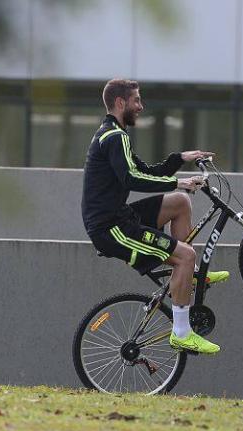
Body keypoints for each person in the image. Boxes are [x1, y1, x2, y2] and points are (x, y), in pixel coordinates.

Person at [81, 78, 224, 355]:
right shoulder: (113, 137)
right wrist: (179, 181)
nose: (141, 106)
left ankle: (187, 276)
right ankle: (182, 333)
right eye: (136, 100)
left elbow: (148, 171)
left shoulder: (114, 134)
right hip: (111, 229)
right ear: (121, 103)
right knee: (185, 254)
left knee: (180, 203)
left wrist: (180, 158)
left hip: (121, 216)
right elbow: (131, 178)